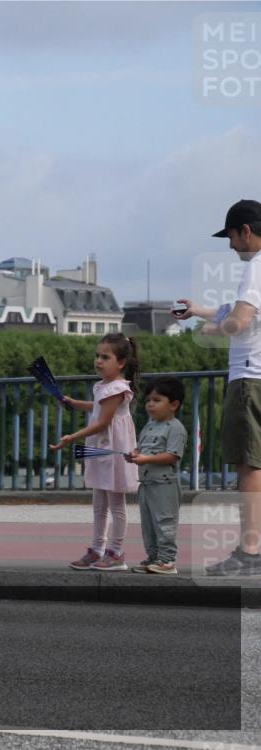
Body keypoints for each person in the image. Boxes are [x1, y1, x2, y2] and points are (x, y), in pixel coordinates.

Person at [173, 199, 261, 576]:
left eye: (231, 236)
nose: (230, 245)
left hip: (249, 376)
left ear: (246, 231)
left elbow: (240, 320)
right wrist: (200, 310)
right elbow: (240, 309)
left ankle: (250, 552)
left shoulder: (256, 266)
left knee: (249, 464)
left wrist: (213, 330)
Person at [50, 334, 140, 571]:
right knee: (99, 503)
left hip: (113, 449)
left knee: (116, 504)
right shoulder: (103, 386)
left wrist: (72, 437)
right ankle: (97, 550)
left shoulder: (118, 388)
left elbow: (102, 422)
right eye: (97, 356)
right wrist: (75, 403)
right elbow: (99, 407)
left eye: (105, 357)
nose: (98, 361)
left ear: (121, 363)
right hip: (101, 447)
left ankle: (115, 553)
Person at [125, 378, 188, 575]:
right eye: (148, 400)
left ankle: (167, 560)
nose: (150, 404)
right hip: (146, 483)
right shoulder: (149, 426)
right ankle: (153, 557)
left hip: (164, 484)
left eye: (157, 400)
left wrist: (145, 459)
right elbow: (142, 449)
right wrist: (135, 454)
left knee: (164, 522)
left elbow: (172, 456)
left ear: (174, 405)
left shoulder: (175, 428)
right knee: (148, 524)